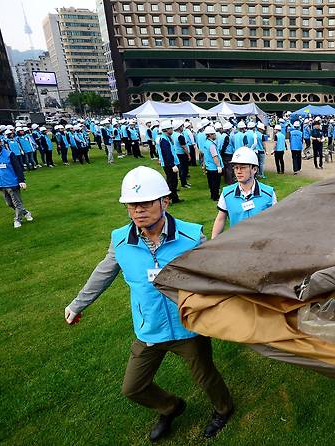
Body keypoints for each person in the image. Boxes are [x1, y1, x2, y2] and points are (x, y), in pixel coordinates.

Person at [64, 166, 234, 442]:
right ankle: (171, 407)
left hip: (187, 327)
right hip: (149, 328)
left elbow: (214, 273)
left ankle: (224, 409)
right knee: (133, 387)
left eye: (144, 203)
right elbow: (103, 274)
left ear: (165, 202)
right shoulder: (120, 241)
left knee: (206, 377)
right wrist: (77, 305)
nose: (137, 211)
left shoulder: (191, 237)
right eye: (132, 205)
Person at [211, 147, 277, 238]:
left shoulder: (269, 193)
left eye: (242, 168)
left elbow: (276, 221)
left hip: (261, 244)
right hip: (237, 244)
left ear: (254, 169)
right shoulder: (226, 193)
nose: (238, 171)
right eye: (236, 168)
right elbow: (220, 219)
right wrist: (212, 242)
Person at [0, 131, 33, 229]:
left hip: (12, 182)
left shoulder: (9, 154)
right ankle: (25, 212)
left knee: (17, 202)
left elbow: (18, 168)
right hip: (0, 184)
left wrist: (21, 180)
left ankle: (17, 220)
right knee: (9, 203)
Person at [157, 120, 182, 204]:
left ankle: (173, 198)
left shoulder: (165, 138)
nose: (172, 130)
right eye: (171, 128)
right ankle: (172, 198)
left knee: (172, 181)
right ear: (166, 130)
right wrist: (172, 165)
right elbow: (167, 154)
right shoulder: (164, 140)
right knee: (172, 182)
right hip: (169, 164)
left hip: (169, 163)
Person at [203, 126, 223, 201]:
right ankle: (216, 196)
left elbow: (205, 156)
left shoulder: (206, 143)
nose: (215, 135)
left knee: (211, 182)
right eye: (214, 134)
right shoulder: (211, 145)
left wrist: (204, 165)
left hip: (209, 166)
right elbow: (215, 156)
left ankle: (212, 195)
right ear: (210, 135)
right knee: (216, 183)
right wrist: (218, 166)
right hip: (214, 167)